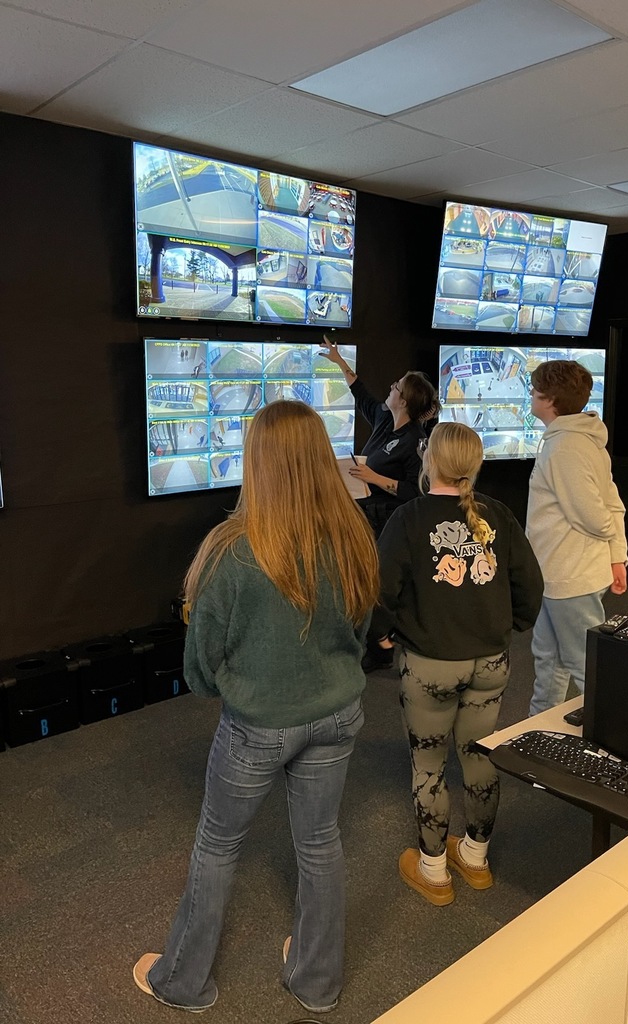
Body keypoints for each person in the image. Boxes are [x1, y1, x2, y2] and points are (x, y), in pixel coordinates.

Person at [132, 400, 379, 1015]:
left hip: (257, 726)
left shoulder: (233, 549)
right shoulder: (354, 534)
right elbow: (360, 628)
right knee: (320, 843)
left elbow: (201, 654)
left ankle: (183, 982)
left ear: (257, 462)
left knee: (217, 845)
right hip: (338, 714)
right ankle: (317, 982)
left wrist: (220, 686)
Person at [370, 421, 544, 906]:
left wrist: (380, 633)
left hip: (430, 667)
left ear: (430, 461)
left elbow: (380, 589)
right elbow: (530, 584)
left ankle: (434, 871)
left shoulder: (407, 518)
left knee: (428, 765)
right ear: (475, 464)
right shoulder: (498, 514)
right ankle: (475, 858)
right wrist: (511, 625)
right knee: (479, 756)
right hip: (490, 664)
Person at [319, 334, 441, 671]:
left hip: (387, 521)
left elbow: (418, 491)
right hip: (364, 514)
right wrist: (339, 362)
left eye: (396, 387)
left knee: (378, 583)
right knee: (362, 580)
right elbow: (361, 394)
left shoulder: (416, 440)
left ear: (404, 401)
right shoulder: (386, 419)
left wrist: (374, 478)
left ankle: (382, 645)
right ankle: (376, 641)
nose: (390, 387)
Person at [525, 359, 628, 717]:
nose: (531, 396)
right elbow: (613, 503)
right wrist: (617, 556)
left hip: (570, 576)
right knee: (550, 658)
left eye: (535, 391)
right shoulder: (579, 440)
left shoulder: (566, 447)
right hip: (559, 575)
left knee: (583, 664)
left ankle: (613, 734)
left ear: (550, 400)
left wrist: (612, 546)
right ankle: (539, 727)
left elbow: (595, 515)